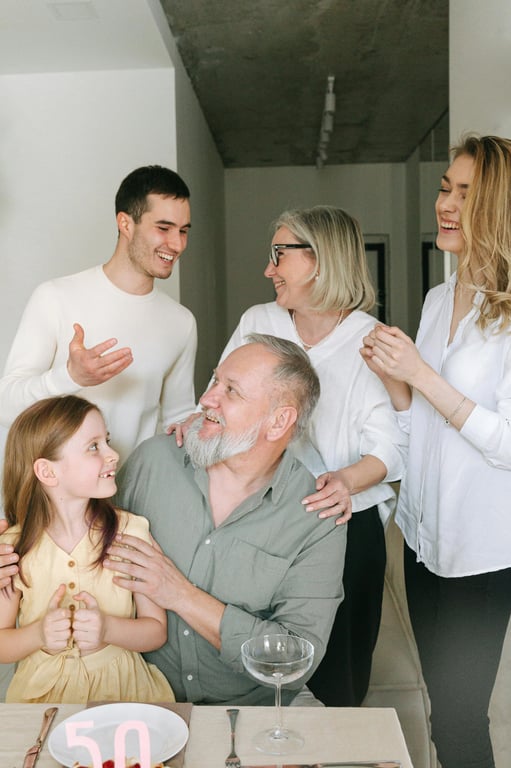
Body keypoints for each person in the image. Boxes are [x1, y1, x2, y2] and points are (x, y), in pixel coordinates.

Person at [178, 207, 405, 706]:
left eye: (280, 254)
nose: (269, 268)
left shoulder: (370, 340)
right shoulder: (260, 320)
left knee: (338, 677)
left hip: (343, 520)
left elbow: (392, 446)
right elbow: (220, 393)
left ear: (320, 262)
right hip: (266, 514)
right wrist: (197, 421)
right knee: (264, 663)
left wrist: (345, 480)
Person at [361, 134, 511, 768]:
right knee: (443, 712)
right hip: (420, 544)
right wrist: (400, 385)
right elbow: (419, 423)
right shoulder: (435, 299)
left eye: (465, 192)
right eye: (445, 187)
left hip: (480, 555)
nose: (444, 203)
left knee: (459, 718)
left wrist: (422, 376)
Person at [102, 334, 347, 705]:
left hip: (251, 714)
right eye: (215, 380)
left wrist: (181, 596)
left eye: (231, 391)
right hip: (139, 703)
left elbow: (296, 656)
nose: (207, 399)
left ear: (279, 421)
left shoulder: (317, 515)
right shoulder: (153, 462)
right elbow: (79, 537)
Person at [0, 165, 197, 465]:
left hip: (133, 504)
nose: (177, 244)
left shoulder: (181, 323)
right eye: (164, 228)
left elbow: (179, 424)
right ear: (125, 223)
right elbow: (6, 406)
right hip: (54, 505)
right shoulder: (54, 298)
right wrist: (71, 377)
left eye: (183, 231)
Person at [0, 395, 174, 704]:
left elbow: (156, 631)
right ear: (48, 472)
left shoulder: (132, 533)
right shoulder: (11, 550)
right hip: (39, 701)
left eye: (106, 441)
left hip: (125, 694)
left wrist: (108, 629)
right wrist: (37, 635)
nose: (114, 455)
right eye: (94, 447)